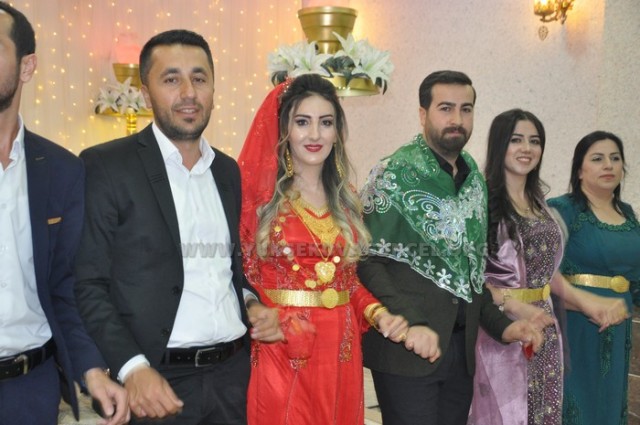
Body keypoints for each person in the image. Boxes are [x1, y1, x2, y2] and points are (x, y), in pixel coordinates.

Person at [74, 29, 280, 425]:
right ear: (146, 93)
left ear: (213, 89)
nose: (188, 93)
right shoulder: (108, 166)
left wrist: (252, 303)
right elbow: (88, 283)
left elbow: (227, 268)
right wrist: (132, 367)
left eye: (199, 78)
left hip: (232, 376)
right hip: (155, 380)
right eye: (171, 79)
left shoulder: (226, 170)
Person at [357, 70, 546, 425]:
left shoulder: (473, 181)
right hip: (406, 351)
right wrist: (411, 323)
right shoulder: (393, 174)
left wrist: (503, 327)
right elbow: (366, 262)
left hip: (461, 355)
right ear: (423, 114)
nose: (457, 119)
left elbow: (469, 275)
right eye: (445, 108)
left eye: (466, 109)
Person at [237, 74, 409, 425]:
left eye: (325, 123)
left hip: (340, 351)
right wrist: (270, 317)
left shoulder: (346, 200)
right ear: (284, 129)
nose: (315, 134)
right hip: (281, 348)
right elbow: (242, 279)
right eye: (302, 122)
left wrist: (378, 314)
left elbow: (345, 282)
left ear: (337, 132)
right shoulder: (261, 200)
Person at [0, 3, 129, 425]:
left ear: (27, 66)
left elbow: (66, 287)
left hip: (29, 390)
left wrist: (92, 370)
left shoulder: (61, 170)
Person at [469, 110, 629, 425]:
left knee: (544, 413)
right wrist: (512, 303)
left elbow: (547, 274)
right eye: (516, 140)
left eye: (535, 141)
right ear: (500, 144)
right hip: (500, 329)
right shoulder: (481, 202)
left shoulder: (540, 203)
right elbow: (469, 277)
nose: (527, 148)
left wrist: (588, 302)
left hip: (545, 327)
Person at [548, 131, 640, 425]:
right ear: (579, 170)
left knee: (609, 407)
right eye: (598, 159)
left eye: (615, 158)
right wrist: (584, 302)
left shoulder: (628, 214)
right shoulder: (562, 209)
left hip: (619, 328)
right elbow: (541, 271)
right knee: (575, 406)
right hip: (575, 325)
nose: (608, 165)